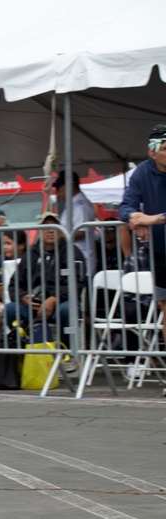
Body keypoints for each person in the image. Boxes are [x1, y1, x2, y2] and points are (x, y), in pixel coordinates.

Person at [3, 213, 84, 354]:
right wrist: (23, 297)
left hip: (60, 303)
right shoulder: (31, 254)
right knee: (10, 309)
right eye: (46, 227)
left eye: (54, 227)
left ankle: (65, 353)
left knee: (69, 309)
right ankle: (26, 350)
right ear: (39, 233)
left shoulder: (72, 252)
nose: (51, 230)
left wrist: (54, 299)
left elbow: (77, 284)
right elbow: (14, 285)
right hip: (32, 305)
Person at [120, 123, 166, 367]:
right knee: (165, 309)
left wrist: (153, 219)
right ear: (152, 152)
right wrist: (133, 218)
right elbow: (126, 204)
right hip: (161, 250)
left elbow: (152, 217)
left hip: (159, 236)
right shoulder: (142, 172)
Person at [54, 170, 97, 278]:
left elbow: (81, 232)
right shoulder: (72, 205)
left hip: (82, 260)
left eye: (59, 190)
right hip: (74, 259)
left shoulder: (80, 206)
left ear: (70, 186)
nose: (58, 194)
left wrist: (59, 235)